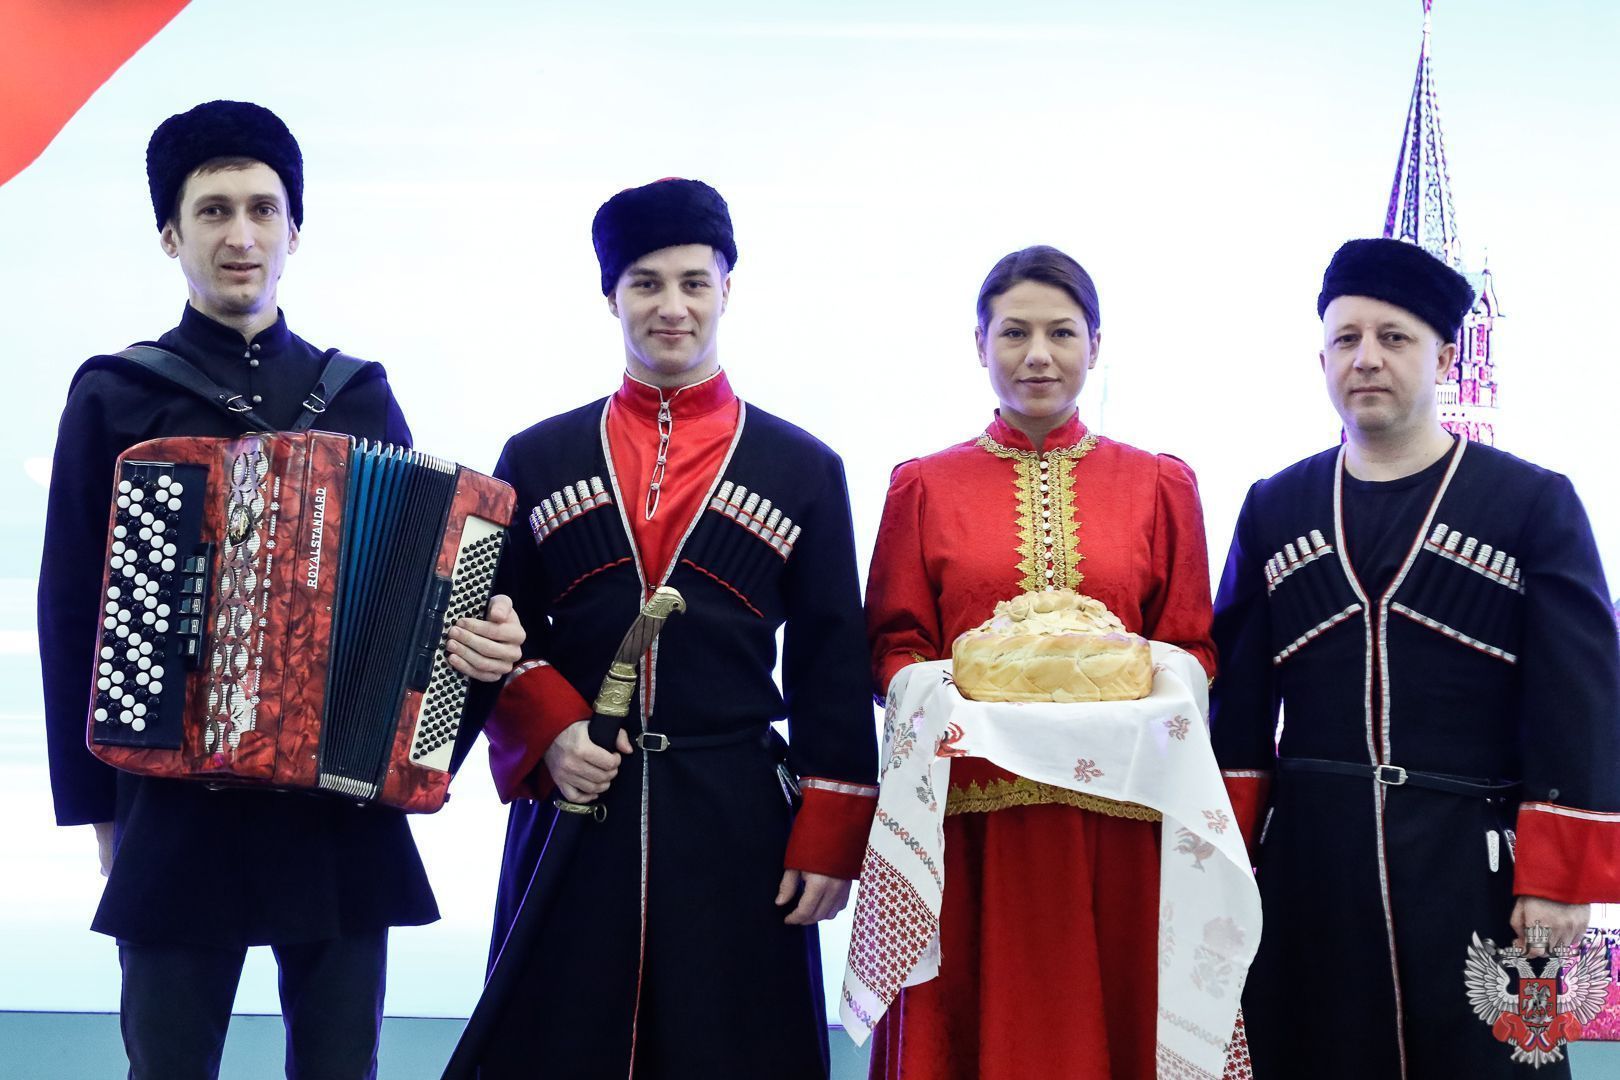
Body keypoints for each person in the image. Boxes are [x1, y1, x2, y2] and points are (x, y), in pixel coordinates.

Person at [37, 99, 524, 1080]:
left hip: (337, 809)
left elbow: (425, 578)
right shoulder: (117, 393)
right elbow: (70, 611)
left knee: (340, 1065)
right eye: (213, 211)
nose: (241, 236)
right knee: (167, 1066)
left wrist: (482, 629)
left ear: (295, 230)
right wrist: (101, 816)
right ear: (170, 234)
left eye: (264, 209)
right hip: (175, 807)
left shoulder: (357, 393)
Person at [471, 177, 879, 1078]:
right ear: (610, 295)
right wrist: (552, 729)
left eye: (694, 282)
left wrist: (829, 834)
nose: (672, 306)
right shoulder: (536, 456)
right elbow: (488, 628)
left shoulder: (804, 467)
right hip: (577, 803)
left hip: (737, 818)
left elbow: (830, 661)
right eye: (646, 283)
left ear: (727, 288)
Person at [1210, 237, 1620, 1078]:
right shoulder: (1274, 506)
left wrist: (1559, 877)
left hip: (1488, 871)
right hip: (1311, 869)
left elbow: (1581, 698)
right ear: (1322, 359)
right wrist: (1222, 859)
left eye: (1393, 337)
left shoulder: (1533, 503)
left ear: (1444, 355)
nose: (1366, 358)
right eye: (1346, 338)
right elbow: (1238, 709)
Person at [862, 245, 1217, 1079]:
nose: (1038, 356)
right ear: (979, 344)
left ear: (1096, 344)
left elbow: (1192, 644)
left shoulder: (1158, 484)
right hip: (972, 818)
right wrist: (948, 689)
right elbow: (893, 645)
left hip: (1120, 817)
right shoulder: (924, 486)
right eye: (1014, 333)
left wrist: (1141, 682)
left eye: (1062, 333)